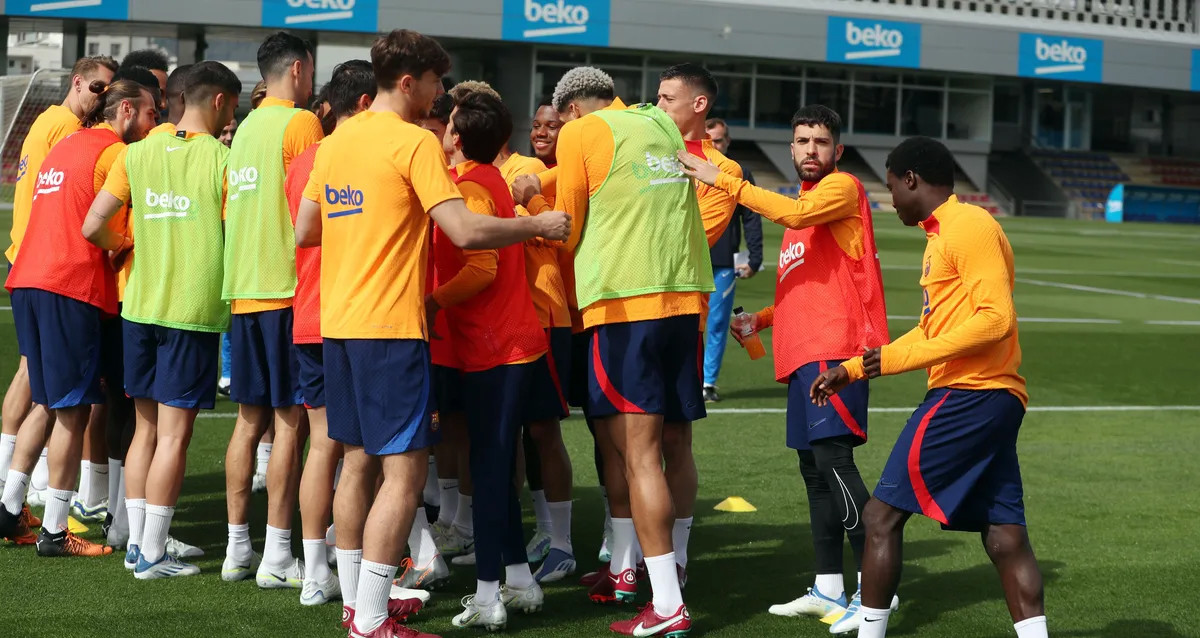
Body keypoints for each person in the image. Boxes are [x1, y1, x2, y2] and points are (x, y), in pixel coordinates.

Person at [292, 29, 570, 638]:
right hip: (390, 325)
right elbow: (468, 233)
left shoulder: (338, 139)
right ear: (409, 81)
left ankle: (355, 603)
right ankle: (368, 618)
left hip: (337, 323)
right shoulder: (413, 143)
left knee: (357, 463)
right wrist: (537, 224)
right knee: (404, 474)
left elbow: (307, 228)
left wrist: (368, 223)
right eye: (438, 82)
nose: (443, 94)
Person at [811, 136, 1047, 638]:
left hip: (969, 394)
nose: (890, 198)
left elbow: (996, 320)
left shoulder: (968, 226)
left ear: (911, 179)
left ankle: (870, 632)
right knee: (1004, 536)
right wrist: (855, 368)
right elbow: (934, 329)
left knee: (880, 518)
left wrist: (900, 358)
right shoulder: (942, 235)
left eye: (892, 187)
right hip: (989, 397)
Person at [678, 105, 889, 631]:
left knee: (835, 464)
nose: (811, 150)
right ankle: (829, 588)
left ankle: (875, 594)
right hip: (801, 356)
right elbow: (805, 290)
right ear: (791, 149)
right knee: (815, 474)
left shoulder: (842, 190)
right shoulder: (804, 205)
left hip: (836, 355)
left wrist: (724, 181)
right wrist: (763, 319)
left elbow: (789, 218)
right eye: (802, 141)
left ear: (836, 151)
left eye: (821, 142)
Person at [525, 64, 713, 637]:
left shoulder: (583, 133)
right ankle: (635, 571)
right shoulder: (658, 122)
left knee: (636, 455)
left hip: (624, 306)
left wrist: (532, 205)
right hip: (683, 303)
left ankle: (666, 603)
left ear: (573, 111)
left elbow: (569, 225)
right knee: (662, 445)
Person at [82, 61, 241, 578]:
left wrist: (124, 244)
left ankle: (137, 545)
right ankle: (151, 552)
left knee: (145, 429)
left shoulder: (137, 152)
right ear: (219, 102)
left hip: (140, 307)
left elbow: (93, 224)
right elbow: (235, 236)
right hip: (190, 313)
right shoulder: (221, 159)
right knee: (173, 436)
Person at [0, 78, 158, 557]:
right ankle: (53, 531)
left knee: (46, 401)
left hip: (28, 279)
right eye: (151, 113)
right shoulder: (115, 154)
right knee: (72, 409)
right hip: (68, 285)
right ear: (125, 110)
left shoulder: (68, 143)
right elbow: (102, 226)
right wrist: (123, 243)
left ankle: (8, 507)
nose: (154, 123)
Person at [433, 90, 550, 631]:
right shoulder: (490, 180)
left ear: (456, 137)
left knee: (489, 463)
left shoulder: (473, 188)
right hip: (505, 344)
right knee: (496, 465)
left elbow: (480, 269)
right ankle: (520, 582)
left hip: (494, 347)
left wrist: (430, 300)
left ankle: (487, 594)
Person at [220, 30, 324, 589]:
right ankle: (277, 554)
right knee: (291, 424)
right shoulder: (300, 123)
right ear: (300, 70)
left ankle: (239, 548)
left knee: (248, 422)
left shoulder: (248, 124)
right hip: (286, 288)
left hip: (244, 289)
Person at [0, 55, 117, 527]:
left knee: (37, 382)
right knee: (54, 392)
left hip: (29, 261)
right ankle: (44, 502)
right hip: (50, 263)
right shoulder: (68, 129)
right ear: (76, 82)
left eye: (108, 91)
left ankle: (12, 492)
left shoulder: (48, 121)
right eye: (96, 88)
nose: (101, 98)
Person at [289, 59, 376, 606]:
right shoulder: (369, 152)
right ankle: (355, 580)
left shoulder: (303, 161)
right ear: (368, 104)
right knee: (364, 452)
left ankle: (317, 572)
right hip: (354, 318)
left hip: (308, 313)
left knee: (323, 445)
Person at [495, 95, 575, 584]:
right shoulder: (523, 174)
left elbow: (563, 234)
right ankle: (545, 531)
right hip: (513, 318)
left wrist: (530, 200)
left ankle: (562, 541)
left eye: (554, 126)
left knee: (544, 430)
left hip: (547, 313)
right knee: (519, 433)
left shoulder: (545, 176)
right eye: (538, 125)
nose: (543, 132)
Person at [700, 117, 763, 402]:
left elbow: (751, 218)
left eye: (720, 140)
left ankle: (708, 383)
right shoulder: (689, 169)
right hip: (688, 260)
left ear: (728, 142)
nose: (716, 145)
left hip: (724, 263)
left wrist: (754, 258)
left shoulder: (739, 172)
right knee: (683, 324)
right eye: (710, 140)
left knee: (716, 323)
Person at [529, 99, 560, 167]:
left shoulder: (576, 172)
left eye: (552, 127)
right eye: (536, 126)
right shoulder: (521, 169)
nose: (540, 133)